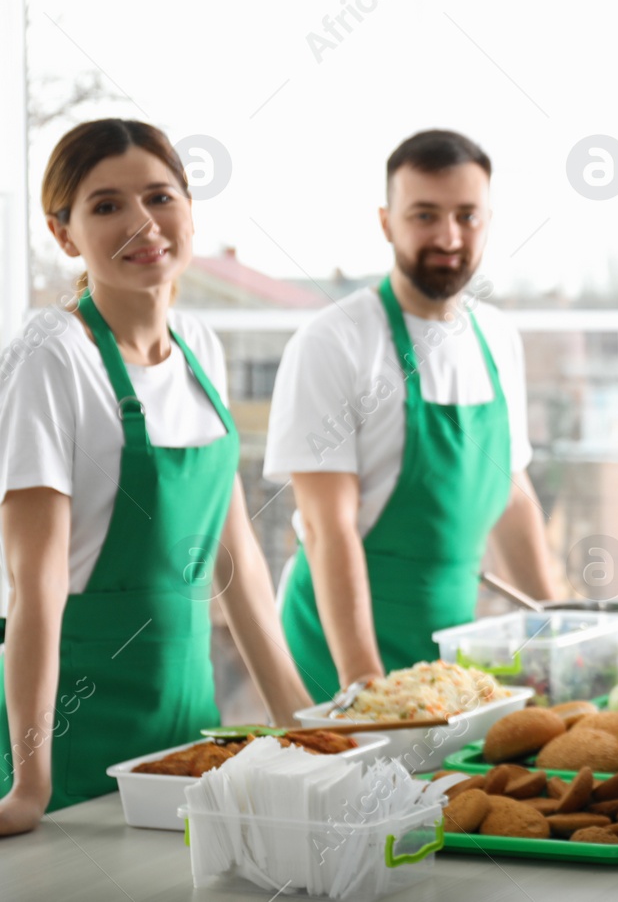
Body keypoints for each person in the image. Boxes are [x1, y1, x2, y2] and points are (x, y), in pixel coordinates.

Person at [0, 119, 313, 833]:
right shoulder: (50, 358)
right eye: (106, 205)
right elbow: (36, 588)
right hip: (75, 728)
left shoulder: (200, 346)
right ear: (64, 233)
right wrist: (29, 783)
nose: (143, 222)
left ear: (190, 210)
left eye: (160, 196)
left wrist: (299, 722)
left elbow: (236, 561)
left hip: (188, 726)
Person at [265, 129, 559, 703]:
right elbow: (329, 530)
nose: (448, 236)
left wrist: (557, 630)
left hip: (445, 660)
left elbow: (512, 494)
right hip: (335, 648)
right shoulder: (335, 342)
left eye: (467, 216)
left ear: (487, 220)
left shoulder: (498, 338)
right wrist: (365, 687)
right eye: (425, 215)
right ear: (386, 222)